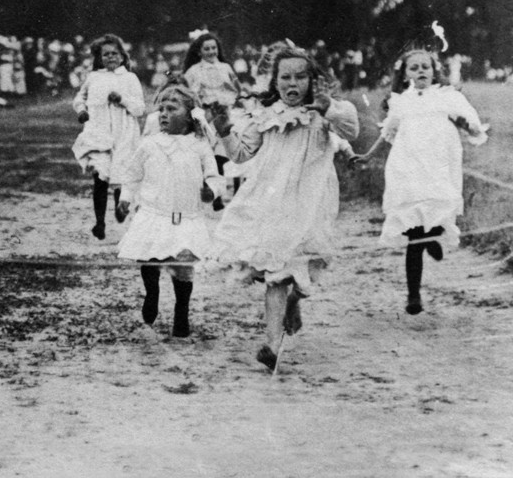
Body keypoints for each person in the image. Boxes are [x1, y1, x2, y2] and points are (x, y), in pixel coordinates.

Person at [205, 43, 359, 372]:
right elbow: (241, 154)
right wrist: (223, 130)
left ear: (313, 80)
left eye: (301, 77)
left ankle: (296, 301)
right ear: (275, 82)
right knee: (276, 273)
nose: (292, 84)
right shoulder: (265, 114)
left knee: (308, 260)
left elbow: (352, 130)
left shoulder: (324, 113)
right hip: (273, 201)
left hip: (311, 200)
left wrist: (327, 106)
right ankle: (272, 345)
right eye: (285, 77)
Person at [353, 46, 488, 314]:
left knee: (437, 212)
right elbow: (388, 131)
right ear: (405, 76)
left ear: (434, 71)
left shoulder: (447, 97)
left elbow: (471, 122)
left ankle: (432, 238)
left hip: (438, 167)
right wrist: (367, 155)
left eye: (425, 67)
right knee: (414, 230)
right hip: (408, 169)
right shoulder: (401, 101)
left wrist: (470, 125)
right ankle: (413, 294)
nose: (420, 72)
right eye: (413, 68)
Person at [116, 84, 221, 339]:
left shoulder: (199, 145)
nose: (163, 114)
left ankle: (181, 311)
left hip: (186, 217)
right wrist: (126, 198)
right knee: (150, 261)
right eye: (161, 109)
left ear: (189, 114)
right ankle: (151, 295)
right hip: (154, 214)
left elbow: (215, 176)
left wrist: (211, 191)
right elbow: (132, 175)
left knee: (183, 266)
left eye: (171, 108)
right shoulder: (150, 144)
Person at [71, 34, 145, 240]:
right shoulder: (94, 77)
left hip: (124, 134)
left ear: (122, 57)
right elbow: (80, 97)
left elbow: (140, 108)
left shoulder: (130, 78)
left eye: (114, 53)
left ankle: (120, 207)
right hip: (98, 132)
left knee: (120, 176)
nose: (110, 57)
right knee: (100, 176)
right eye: (106, 54)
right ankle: (100, 223)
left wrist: (122, 99)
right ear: (100, 58)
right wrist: (81, 110)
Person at [182, 31, 242, 210]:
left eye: (213, 48)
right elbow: (188, 94)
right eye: (206, 49)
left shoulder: (226, 68)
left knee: (222, 155)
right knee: (206, 154)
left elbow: (236, 89)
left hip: (224, 115)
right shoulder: (193, 71)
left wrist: (227, 98)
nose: (211, 51)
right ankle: (208, 190)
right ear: (199, 52)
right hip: (205, 116)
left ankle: (219, 194)